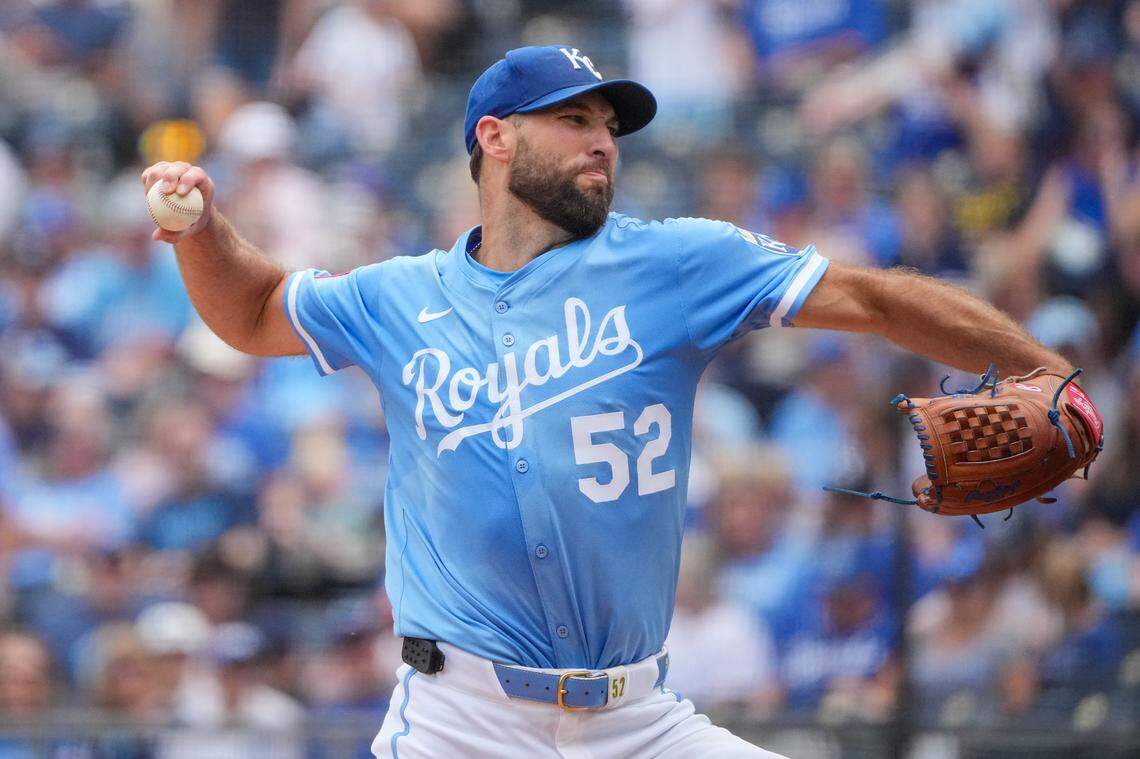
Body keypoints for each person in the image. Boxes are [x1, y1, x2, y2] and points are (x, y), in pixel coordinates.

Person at [140, 44, 1077, 757]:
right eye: (574, 119)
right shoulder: (400, 296)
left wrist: (1041, 365)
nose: (602, 141)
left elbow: (872, 297)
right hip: (459, 721)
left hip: (637, 721)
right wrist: (202, 230)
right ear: (494, 138)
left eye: (609, 127)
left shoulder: (675, 261)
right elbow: (258, 308)